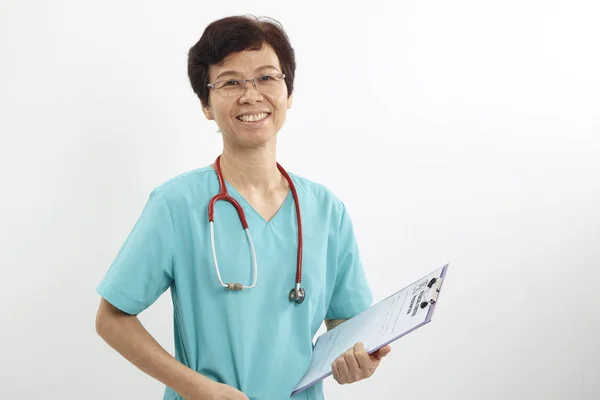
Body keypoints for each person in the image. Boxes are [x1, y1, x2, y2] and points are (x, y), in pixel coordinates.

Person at [94, 14, 391, 400]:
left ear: (289, 92)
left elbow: (346, 324)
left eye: (267, 77)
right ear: (205, 104)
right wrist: (194, 387)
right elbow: (112, 318)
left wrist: (360, 359)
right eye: (231, 82)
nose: (251, 95)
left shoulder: (326, 211)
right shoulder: (176, 205)